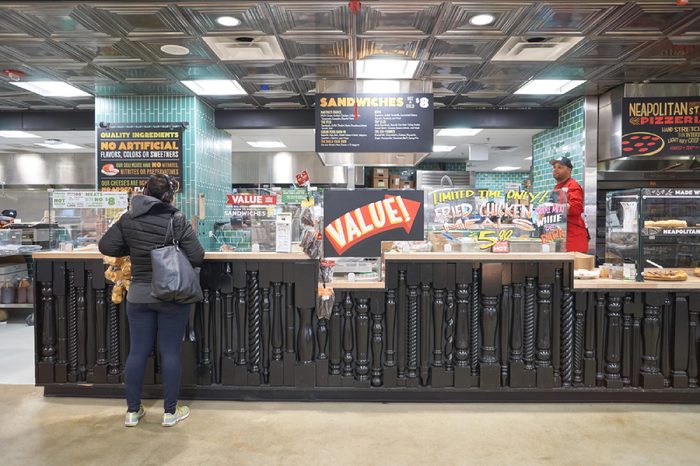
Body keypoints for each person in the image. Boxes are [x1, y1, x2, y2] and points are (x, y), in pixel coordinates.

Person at [98, 174, 204, 427]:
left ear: (145, 192)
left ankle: (133, 412)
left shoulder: (128, 218)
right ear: (169, 196)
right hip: (170, 294)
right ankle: (169, 412)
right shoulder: (175, 219)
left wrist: (134, 248)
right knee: (170, 352)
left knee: (137, 352)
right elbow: (197, 256)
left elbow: (107, 246)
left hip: (139, 295)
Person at [550, 156, 589, 253]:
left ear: (569, 170)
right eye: (554, 167)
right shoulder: (557, 187)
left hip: (573, 239)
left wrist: (551, 208)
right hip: (562, 236)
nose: (556, 169)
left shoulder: (573, 186)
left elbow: (576, 208)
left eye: (560, 167)